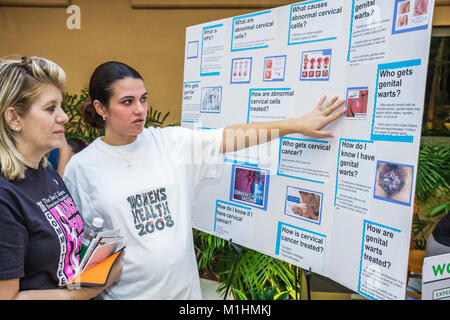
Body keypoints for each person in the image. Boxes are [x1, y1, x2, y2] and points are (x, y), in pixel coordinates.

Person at [63, 61, 345, 299]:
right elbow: (79, 246)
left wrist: (296, 125)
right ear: (101, 108)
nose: (140, 109)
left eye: (143, 98)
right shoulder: (82, 167)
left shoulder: (171, 143)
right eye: (127, 102)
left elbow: (231, 136)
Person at [0, 56, 123, 300]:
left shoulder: (46, 173)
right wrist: (85, 292)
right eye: (50, 108)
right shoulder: (5, 196)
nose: (64, 117)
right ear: (14, 119)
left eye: (61, 106)